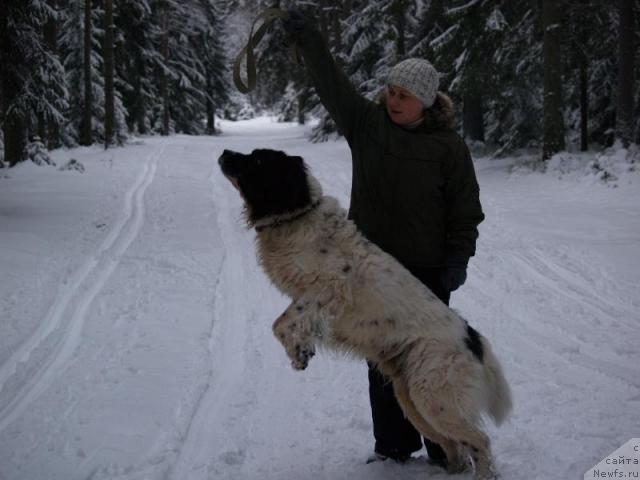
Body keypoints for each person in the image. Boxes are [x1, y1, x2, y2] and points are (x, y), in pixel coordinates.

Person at [281, 11, 485, 469]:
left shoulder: (448, 148)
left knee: (429, 359)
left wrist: (458, 259)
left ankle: (445, 445)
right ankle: (393, 448)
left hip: (427, 272)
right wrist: (309, 38)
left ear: (427, 103)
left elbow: (465, 210)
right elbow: (332, 83)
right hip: (370, 269)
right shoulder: (367, 125)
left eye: (404, 96)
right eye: (391, 92)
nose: (393, 101)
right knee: (384, 358)